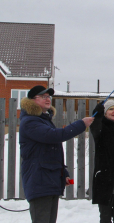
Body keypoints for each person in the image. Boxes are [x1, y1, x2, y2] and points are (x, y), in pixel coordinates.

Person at [19, 85, 94, 223]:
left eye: (48, 96)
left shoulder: (43, 120)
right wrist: (81, 124)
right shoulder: (30, 122)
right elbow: (54, 136)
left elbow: (50, 151)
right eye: (43, 96)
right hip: (39, 181)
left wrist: (63, 173)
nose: (48, 99)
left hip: (48, 181)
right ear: (32, 100)